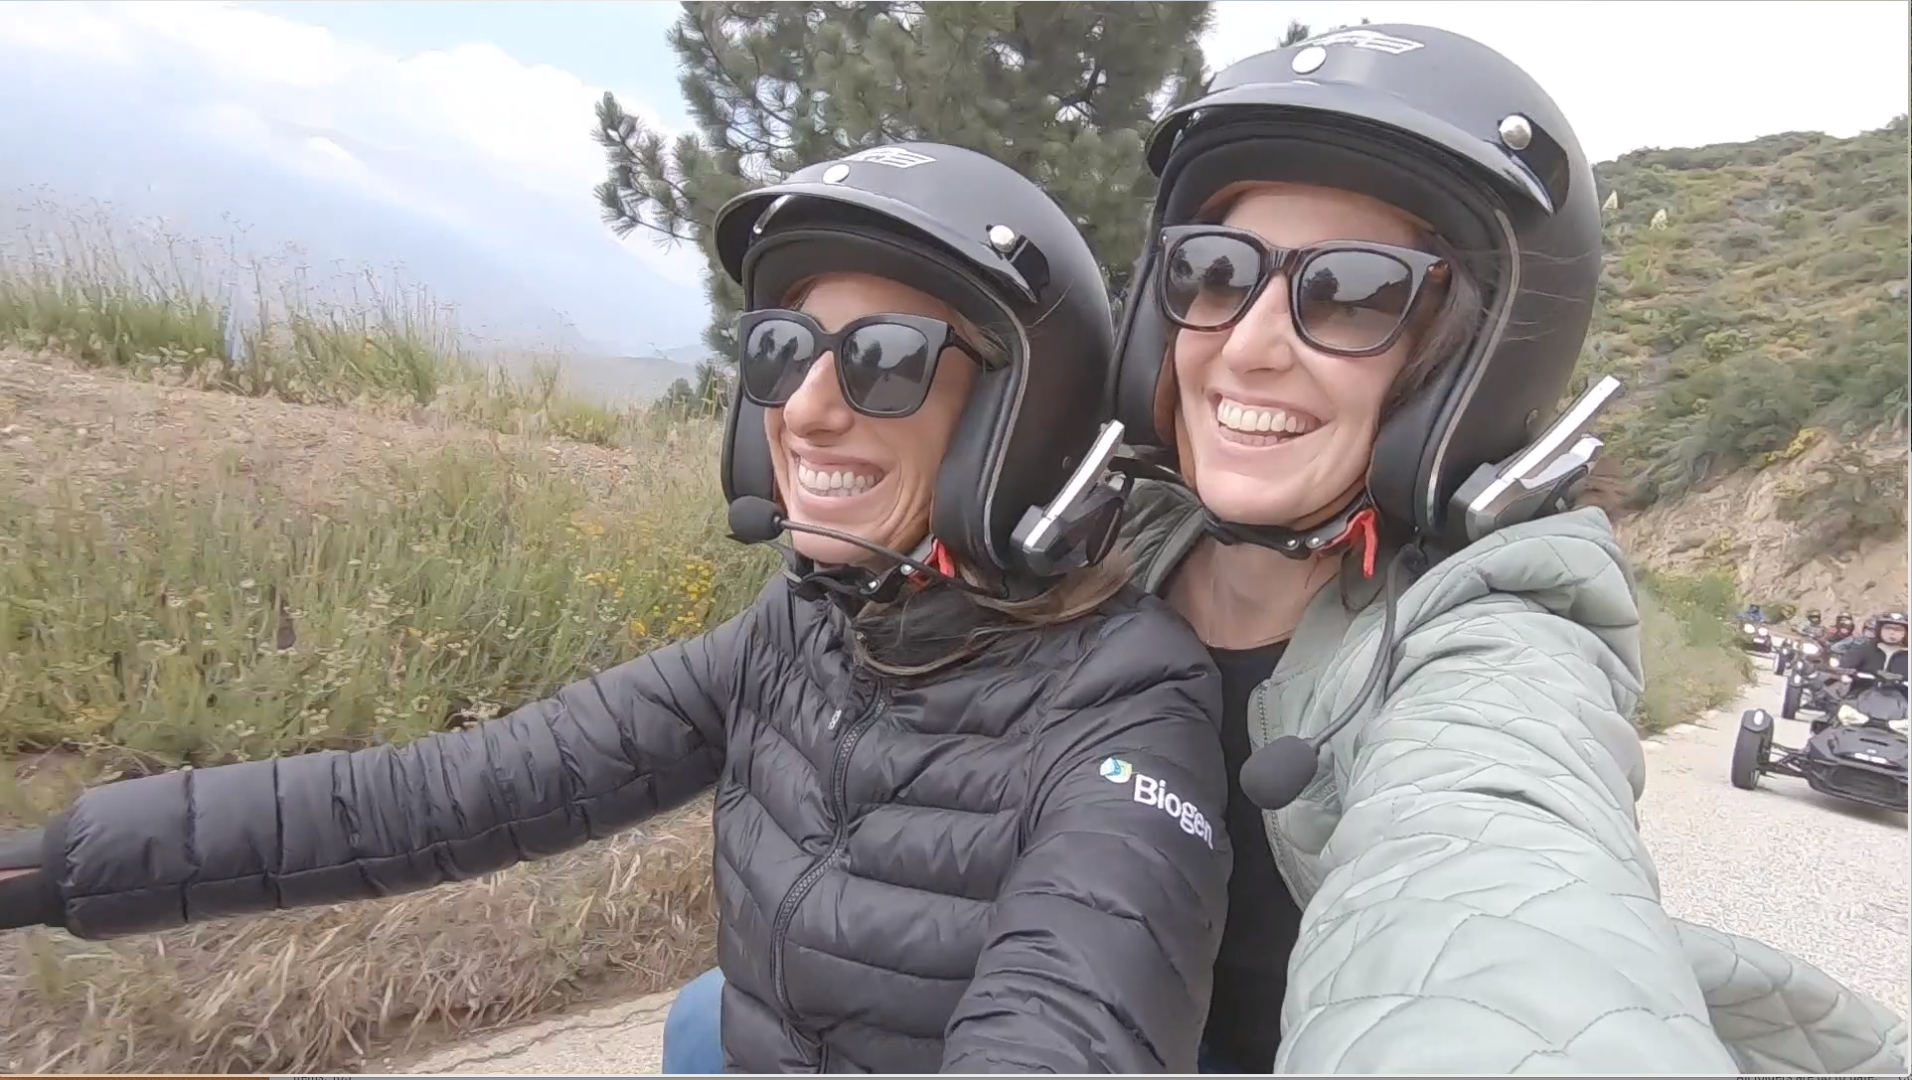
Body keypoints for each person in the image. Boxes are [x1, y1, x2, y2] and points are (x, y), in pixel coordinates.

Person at [0, 144, 1234, 1074]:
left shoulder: (1125, 701)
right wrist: (50, 866)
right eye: (783, 350)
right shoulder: (806, 634)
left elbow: (1072, 1011)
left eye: (887, 360)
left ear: (1022, 419)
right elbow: (448, 793)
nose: (806, 410)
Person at [1098, 25, 1909, 1074]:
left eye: (1354, 293)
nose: (1247, 346)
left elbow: (1494, 880)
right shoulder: (1085, 553)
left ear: (1468, 365)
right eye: (1214, 273)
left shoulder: (1497, 634)